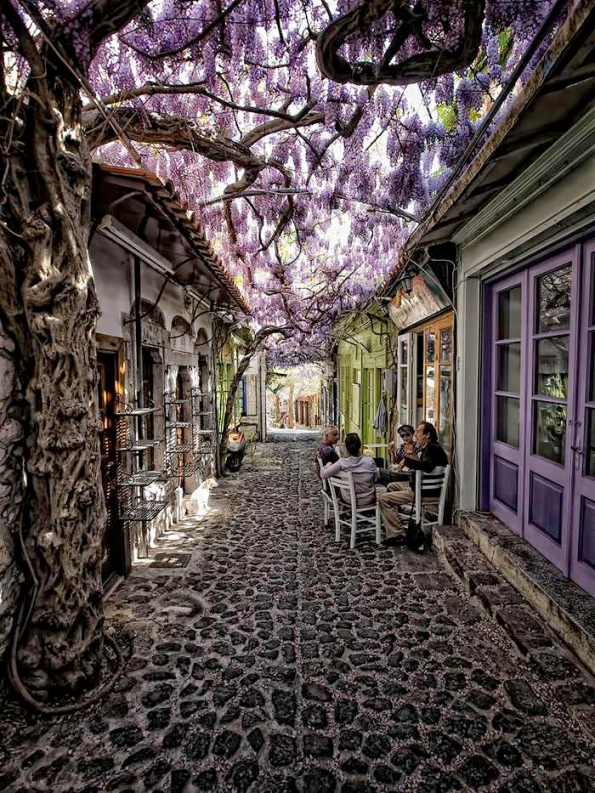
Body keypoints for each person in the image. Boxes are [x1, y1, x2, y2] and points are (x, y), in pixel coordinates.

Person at [379, 421, 448, 546]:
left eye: (417, 432)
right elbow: (426, 466)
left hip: (421, 491)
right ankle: (394, 522)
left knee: (383, 498)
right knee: (391, 486)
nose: (415, 435)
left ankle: (397, 534)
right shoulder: (432, 447)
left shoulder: (431, 448)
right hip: (420, 486)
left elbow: (426, 466)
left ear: (427, 435)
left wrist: (407, 461)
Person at [321, 432, 378, 506]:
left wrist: (326, 466)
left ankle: (346, 512)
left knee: (340, 491)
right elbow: (376, 479)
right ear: (360, 446)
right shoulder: (369, 461)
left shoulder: (342, 463)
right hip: (368, 499)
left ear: (346, 448)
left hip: (348, 500)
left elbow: (323, 474)